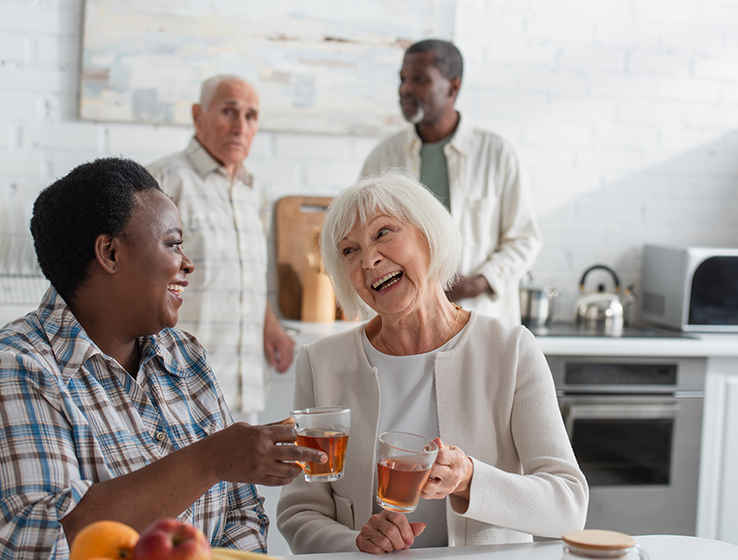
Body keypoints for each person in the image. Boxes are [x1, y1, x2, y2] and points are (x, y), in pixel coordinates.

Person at [0, 158, 326, 558]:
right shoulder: (19, 367)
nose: (187, 263)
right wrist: (209, 460)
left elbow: (243, 516)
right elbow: (41, 543)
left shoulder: (185, 355)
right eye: (173, 244)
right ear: (110, 253)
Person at [276, 171, 587, 554]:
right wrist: (355, 543)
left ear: (429, 233)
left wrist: (469, 479)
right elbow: (299, 512)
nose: (369, 259)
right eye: (349, 251)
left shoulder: (510, 350)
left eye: (383, 233)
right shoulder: (321, 362)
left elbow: (568, 507)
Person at [360, 39, 542, 327]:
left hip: (480, 319)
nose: (405, 89)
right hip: (404, 323)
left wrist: (479, 283)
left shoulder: (496, 154)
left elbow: (523, 238)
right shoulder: (383, 157)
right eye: (403, 79)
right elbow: (364, 237)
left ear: (453, 87)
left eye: (419, 79)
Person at [147, 75, 294, 421]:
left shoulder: (254, 191)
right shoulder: (162, 183)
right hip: (181, 386)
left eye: (251, 116)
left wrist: (269, 325)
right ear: (198, 115)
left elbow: (249, 276)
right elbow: (139, 282)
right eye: (229, 112)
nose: (241, 126)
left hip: (246, 387)